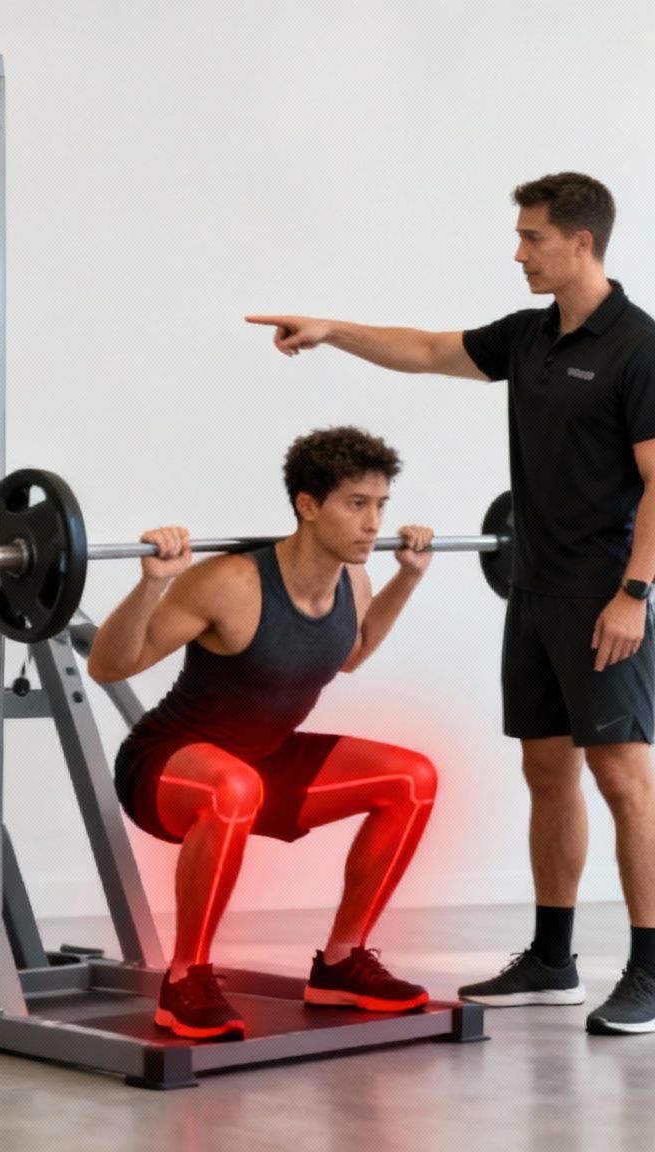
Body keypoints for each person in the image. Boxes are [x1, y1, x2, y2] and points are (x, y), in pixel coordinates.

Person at [248, 172, 655, 1034]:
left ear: (581, 242)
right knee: (547, 772)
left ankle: (652, 972)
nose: (519, 253)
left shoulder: (638, 346)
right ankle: (553, 960)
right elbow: (431, 350)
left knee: (623, 778)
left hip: (603, 598)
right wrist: (332, 332)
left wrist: (634, 594)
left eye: (533, 237)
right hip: (533, 589)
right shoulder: (532, 336)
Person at [87, 427, 438, 1040]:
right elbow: (108, 666)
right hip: (167, 767)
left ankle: (341, 963)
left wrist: (407, 578)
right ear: (308, 505)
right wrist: (153, 582)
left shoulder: (352, 578)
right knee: (234, 787)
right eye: (357, 504)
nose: (373, 523)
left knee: (413, 779)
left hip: (264, 762)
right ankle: (185, 978)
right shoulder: (231, 582)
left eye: (381, 505)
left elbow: (351, 653)